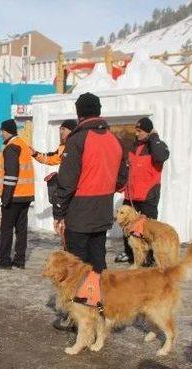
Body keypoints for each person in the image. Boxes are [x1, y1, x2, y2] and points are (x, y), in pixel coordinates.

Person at [52, 92, 128, 273]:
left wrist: (58, 212)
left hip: (79, 213)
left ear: (79, 114)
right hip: (102, 210)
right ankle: (100, 298)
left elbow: (67, 181)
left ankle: (83, 299)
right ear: (99, 111)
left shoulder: (77, 139)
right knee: (98, 261)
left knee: (77, 266)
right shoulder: (114, 140)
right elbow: (122, 179)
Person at [115, 117, 170, 264]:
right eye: (136, 130)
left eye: (140, 131)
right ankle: (129, 253)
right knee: (127, 226)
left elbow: (161, 156)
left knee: (148, 228)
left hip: (148, 194)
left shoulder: (157, 145)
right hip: (131, 194)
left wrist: (154, 137)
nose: (137, 133)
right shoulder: (134, 146)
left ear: (148, 131)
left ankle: (149, 257)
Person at [0, 119, 35, 270]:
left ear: (6, 130)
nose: (0, 134)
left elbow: (11, 175)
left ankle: (4, 259)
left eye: (1, 131)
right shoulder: (23, 144)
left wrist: (6, 198)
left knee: (6, 229)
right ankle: (20, 259)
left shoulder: (11, 148)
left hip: (14, 196)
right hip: (26, 195)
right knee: (21, 229)